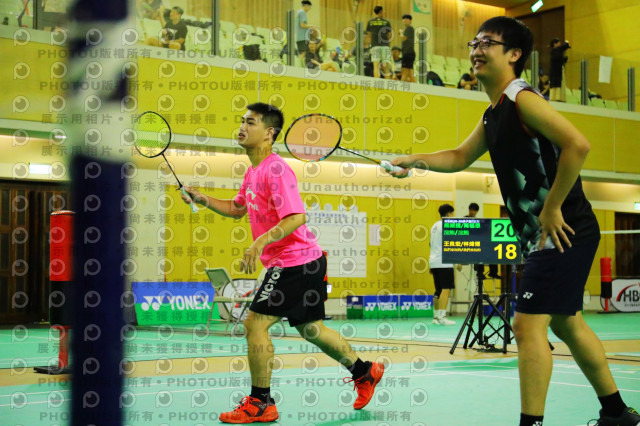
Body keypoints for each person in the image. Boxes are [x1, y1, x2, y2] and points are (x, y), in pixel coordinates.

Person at [389, 16, 640, 426]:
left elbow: (578, 144)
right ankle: (617, 413)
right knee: (567, 324)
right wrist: (413, 160)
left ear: (514, 54)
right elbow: (459, 157)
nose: (476, 50)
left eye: (487, 42)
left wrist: (552, 207)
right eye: (474, 43)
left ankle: (532, 423)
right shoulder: (494, 113)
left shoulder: (522, 98)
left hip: (562, 230)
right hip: (546, 234)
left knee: (525, 326)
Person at [181, 103, 384, 424]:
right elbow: (237, 209)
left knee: (255, 324)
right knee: (312, 329)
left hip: (295, 261)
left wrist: (260, 242)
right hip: (303, 261)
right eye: (242, 121)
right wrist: (201, 198)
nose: (242, 127)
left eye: (250, 122)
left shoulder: (275, 169)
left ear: (269, 133)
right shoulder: (253, 172)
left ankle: (261, 402)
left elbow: (297, 216)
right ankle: (364, 372)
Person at [429, 204, 458, 326]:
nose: (453, 215)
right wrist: (459, 261)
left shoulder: (434, 226)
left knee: (438, 290)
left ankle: (436, 317)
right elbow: (452, 244)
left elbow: (430, 244)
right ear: (448, 213)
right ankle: (442, 317)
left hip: (434, 261)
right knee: (446, 289)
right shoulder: (447, 225)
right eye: (452, 213)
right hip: (444, 262)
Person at [466, 202, 501, 279]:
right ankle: (479, 273)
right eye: (472, 210)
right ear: (469, 210)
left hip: (478, 243)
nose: (473, 212)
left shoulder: (477, 221)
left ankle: (493, 272)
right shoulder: (464, 220)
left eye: (475, 211)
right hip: (469, 244)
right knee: (479, 251)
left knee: (492, 251)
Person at [366, 6, 393, 78]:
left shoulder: (370, 22)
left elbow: (369, 34)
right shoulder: (386, 22)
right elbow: (390, 35)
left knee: (376, 66)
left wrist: (374, 40)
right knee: (386, 67)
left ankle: (376, 83)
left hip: (375, 46)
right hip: (385, 46)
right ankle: (387, 83)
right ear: (381, 11)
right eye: (383, 11)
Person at [549, 37, 570, 102]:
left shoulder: (557, 51)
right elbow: (561, 50)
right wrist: (566, 44)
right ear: (554, 44)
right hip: (555, 72)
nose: (560, 44)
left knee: (561, 83)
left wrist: (564, 59)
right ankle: (555, 97)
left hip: (559, 70)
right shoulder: (554, 51)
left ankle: (560, 97)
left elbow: (559, 59)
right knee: (556, 84)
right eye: (558, 43)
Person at [398, 14, 416, 82]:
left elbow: (404, 38)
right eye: (403, 19)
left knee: (404, 72)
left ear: (410, 21)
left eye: (406, 19)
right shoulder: (407, 29)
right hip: (409, 53)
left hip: (408, 53)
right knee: (410, 74)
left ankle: (401, 87)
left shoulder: (409, 28)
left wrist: (400, 33)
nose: (404, 20)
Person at [296, 1, 314, 66]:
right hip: (302, 37)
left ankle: (301, 66)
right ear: (306, 6)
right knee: (303, 54)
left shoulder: (298, 12)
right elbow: (302, 25)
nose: (309, 9)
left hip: (299, 37)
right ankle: (300, 67)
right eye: (309, 7)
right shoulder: (302, 12)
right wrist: (311, 26)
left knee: (302, 54)